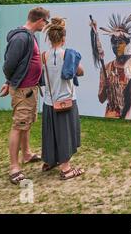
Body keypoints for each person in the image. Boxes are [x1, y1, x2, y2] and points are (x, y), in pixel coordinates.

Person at [0, 7, 50, 185]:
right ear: (40, 20)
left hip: (30, 89)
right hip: (23, 90)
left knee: (26, 123)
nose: (46, 25)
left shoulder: (30, 36)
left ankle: (27, 154)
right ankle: (14, 167)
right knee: (18, 125)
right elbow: (8, 64)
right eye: (46, 21)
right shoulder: (21, 38)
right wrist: (9, 81)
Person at [41, 17, 85, 180]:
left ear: (50, 38)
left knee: (50, 133)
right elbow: (80, 71)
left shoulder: (43, 55)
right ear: (63, 38)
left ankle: (49, 161)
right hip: (66, 100)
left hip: (49, 102)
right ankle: (66, 169)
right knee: (65, 133)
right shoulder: (69, 54)